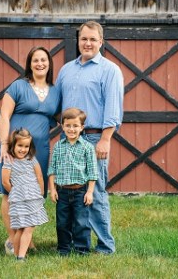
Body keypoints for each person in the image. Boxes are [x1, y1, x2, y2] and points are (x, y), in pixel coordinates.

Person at [55, 20, 124, 254]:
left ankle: (105, 246)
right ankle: (76, 242)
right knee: (71, 193)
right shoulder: (66, 70)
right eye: (84, 39)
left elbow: (113, 109)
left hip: (94, 139)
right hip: (69, 140)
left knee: (95, 191)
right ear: (78, 40)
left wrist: (105, 139)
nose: (88, 43)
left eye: (93, 39)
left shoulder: (109, 70)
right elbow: (58, 106)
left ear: (101, 42)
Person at [0, 46, 60, 255]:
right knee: (10, 193)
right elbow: (4, 116)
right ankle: (13, 240)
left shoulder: (56, 91)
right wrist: (5, 144)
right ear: (29, 64)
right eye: (35, 60)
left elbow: (61, 118)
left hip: (39, 150)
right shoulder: (18, 86)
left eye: (44, 60)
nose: (40, 64)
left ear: (49, 64)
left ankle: (26, 237)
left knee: (32, 193)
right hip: (13, 149)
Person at [48, 108, 98, 256]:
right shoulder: (58, 146)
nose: (71, 129)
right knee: (62, 223)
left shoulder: (87, 147)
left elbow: (92, 172)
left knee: (81, 222)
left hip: (80, 191)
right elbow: (52, 169)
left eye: (75, 126)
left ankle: (82, 250)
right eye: (68, 125)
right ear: (62, 126)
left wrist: (89, 192)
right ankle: (64, 249)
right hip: (62, 191)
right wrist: (53, 189)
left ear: (82, 127)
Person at [1, 128, 49, 261]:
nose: (23, 149)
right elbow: (5, 182)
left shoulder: (31, 159)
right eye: (20, 146)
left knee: (24, 228)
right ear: (13, 145)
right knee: (25, 227)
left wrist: (41, 192)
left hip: (33, 197)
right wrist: (16, 193)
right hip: (19, 199)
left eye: (26, 146)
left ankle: (18, 255)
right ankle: (20, 257)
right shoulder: (9, 161)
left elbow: (39, 176)